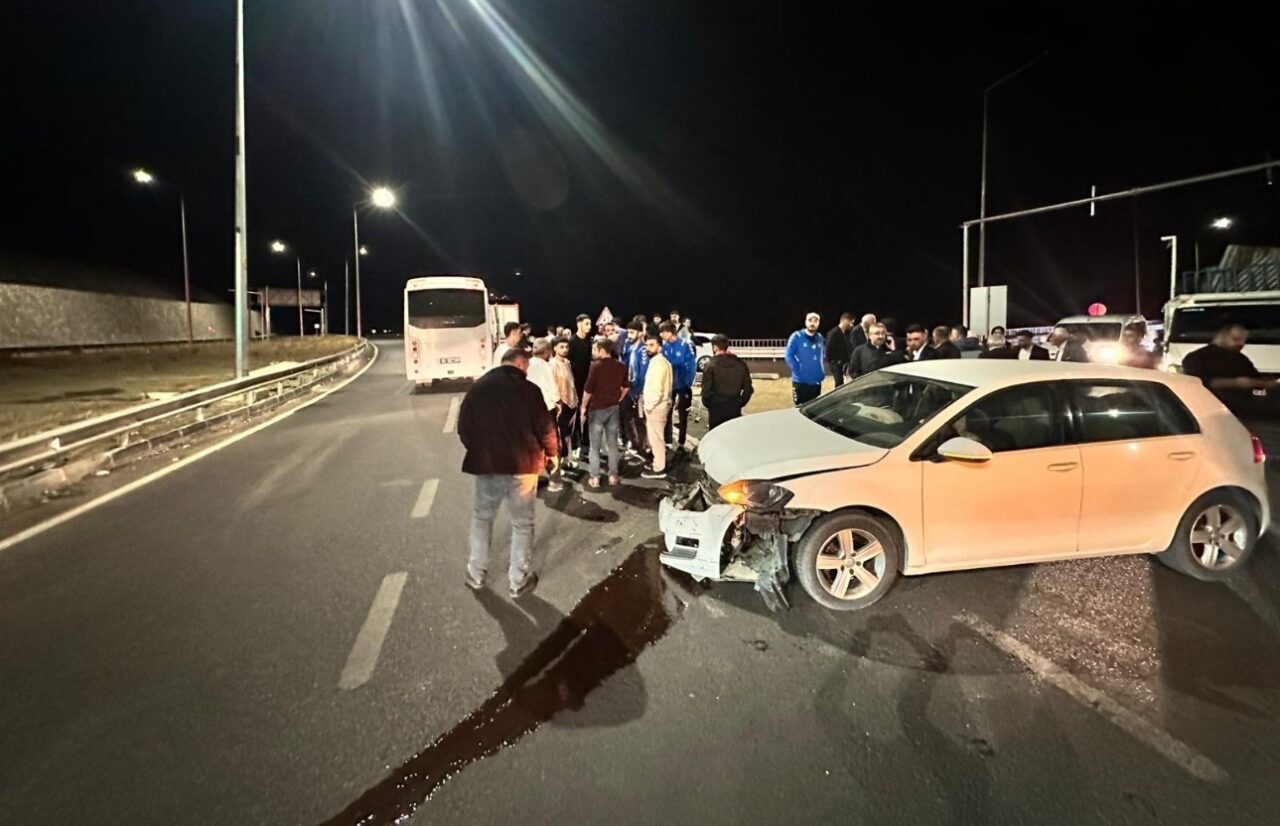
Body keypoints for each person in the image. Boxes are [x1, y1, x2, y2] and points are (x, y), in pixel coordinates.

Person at [457, 348, 558, 598]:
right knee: (522, 523)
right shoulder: (530, 390)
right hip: (524, 468)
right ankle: (518, 580)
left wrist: (481, 450)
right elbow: (546, 427)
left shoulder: (478, 388)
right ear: (521, 364)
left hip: (488, 466)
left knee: (482, 518)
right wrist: (552, 455)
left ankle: (476, 573)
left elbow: (464, 428)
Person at [1182, 322, 1279, 414]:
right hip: (1206, 409)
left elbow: (1256, 379)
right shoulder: (1197, 357)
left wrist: (1269, 383)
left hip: (1240, 412)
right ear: (1222, 336)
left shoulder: (1241, 359)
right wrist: (1237, 383)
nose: (1241, 343)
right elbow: (1198, 382)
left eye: (1244, 340)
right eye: (1236, 339)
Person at [579, 338, 630, 489]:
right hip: (613, 409)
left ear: (602, 350)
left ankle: (594, 478)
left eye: (595, 349)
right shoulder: (620, 366)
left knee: (594, 447)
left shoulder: (595, 366)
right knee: (612, 444)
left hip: (596, 409)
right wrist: (618, 398)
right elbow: (626, 387)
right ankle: (613, 476)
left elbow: (588, 390)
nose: (593, 353)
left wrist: (583, 408)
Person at [659, 321, 697, 452]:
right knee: (667, 412)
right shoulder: (665, 347)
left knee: (683, 413)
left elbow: (692, 365)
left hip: (683, 386)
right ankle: (668, 440)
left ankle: (682, 440)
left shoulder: (685, 345)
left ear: (669, 332)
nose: (661, 334)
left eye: (662, 332)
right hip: (669, 386)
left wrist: (688, 383)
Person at [701, 335, 754, 429]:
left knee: (716, 438)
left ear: (715, 347)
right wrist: (740, 403)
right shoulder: (740, 364)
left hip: (716, 408)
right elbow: (748, 389)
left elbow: (706, 391)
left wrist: (710, 404)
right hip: (734, 407)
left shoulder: (710, 365)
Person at [640, 334, 673, 479]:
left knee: (656, 438)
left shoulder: (659, 363)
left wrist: (649, 405)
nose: (648, 348)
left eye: (652, 345)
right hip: (659, 405)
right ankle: (657, 462)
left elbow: (658, 389)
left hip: (656, 407)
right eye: (647, 345)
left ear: (660, 346)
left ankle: (659, 468)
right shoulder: (659, 362)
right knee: (655, 437)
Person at [567, 314, 595, 457]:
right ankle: (576, 444)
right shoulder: (572, 342)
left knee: (589, 414)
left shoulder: (589, 342)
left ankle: (586, 443)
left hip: (587, 383)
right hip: (575, 383)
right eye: (586, 324)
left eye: (590, 324)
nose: (589, 327)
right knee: (576, 415)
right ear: (578, 324)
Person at [626, 321, 652, 464]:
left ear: (640, 333)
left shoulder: (642, 349)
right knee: (634, 420)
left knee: (641, 421)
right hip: (632, 391)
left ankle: (644, 451)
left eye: (632, 332)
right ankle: (637, 447)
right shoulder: (632, 348)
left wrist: (637, 392)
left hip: (639, 392)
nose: (629, 335)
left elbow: (643, 373)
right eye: (628, 332)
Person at [785, 312, 826, 404]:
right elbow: (789, 355)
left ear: (819, 323)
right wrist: (798, 371)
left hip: (816, 382)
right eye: (810, 320)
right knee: (800, 409)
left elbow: (820, 356)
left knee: (814, 409)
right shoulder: (796, 336)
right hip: (801, 383)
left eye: (816, 321)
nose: (812, 323)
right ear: (805, 322)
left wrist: (821, 372)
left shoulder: (819, 337)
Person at [550, 337, 579, 466]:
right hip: (561, 403)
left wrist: (576, 399)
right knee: (561, 434)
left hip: (572, 401)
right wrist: (558, 402)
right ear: (555, 348)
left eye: (566, 347)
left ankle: (567, 459)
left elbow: (571, 381)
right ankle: (560, 462)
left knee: (568, 433)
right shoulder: (552, 364)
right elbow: (553, 385)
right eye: (561, 347)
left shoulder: (567, 362)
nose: (565, 349)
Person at [824, 313, 855, 387]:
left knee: (840, 382)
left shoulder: (844, 333)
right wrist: (835, 361)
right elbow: (828, 350)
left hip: (841, 364)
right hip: (836, 364)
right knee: (839, 383)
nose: (852, 325)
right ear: (845, 320)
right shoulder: (833, 333)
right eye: (851, 322)